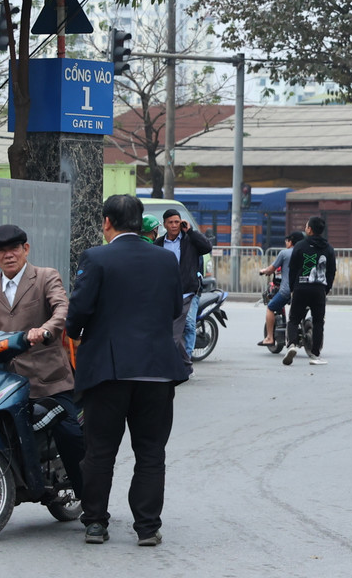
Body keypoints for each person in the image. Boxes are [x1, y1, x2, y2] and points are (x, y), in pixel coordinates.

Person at [65, 195, 189, 546]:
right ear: (142, 223)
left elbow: (79, 311)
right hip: (158, 369)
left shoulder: (96, 257)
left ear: (107, 222)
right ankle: (147, 527)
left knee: (100, 450)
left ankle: (94, 523)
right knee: (151, 452)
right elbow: (173, 308)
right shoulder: (165, 259)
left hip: (108, 371)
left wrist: (75, 333)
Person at [0, 225, 84, 513]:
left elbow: (62, 309)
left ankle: (91, 501)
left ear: (26, 249)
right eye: (1, 251)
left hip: (50, 380)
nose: (8, 255)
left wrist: (46, 330)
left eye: (14, 248)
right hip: (10, 384)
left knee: (70, 435)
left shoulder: (46, 277)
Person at [154, 209, 211, 368]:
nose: (174, 225)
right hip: (166, 293)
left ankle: (185, 363)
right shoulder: (159, 243)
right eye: (170, 222)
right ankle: (183, 361)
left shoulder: (189, 240)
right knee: (168, 329)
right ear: (164, 224)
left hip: (187, 292)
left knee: (188, 325)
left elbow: (207, 247)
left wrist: (191, 231)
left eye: (177, 222)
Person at [282, 216, 336, 366]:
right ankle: (315, 355)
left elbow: (292, 269)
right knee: (318, 322)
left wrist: (293, 288)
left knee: (293, 319)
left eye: (306, 226)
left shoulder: (300, 246)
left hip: (301, 287)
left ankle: (292, 344)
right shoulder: (328, 248)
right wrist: (327, 288)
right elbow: (331, 271)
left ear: (310, 229)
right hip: (319, 289)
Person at [258, 230, 306, 347]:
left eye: (287, 241)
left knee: (270, 307)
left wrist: (264, 271)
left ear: (290, 242)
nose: (286, 243)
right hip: (306, 290)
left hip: (287, 291)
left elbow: (271, 269)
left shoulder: (284, 254)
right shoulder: (307, 253)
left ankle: (269, 338)